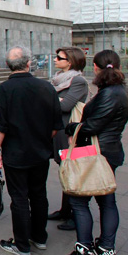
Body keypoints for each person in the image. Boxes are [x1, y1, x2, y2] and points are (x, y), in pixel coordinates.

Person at [58, 50, 128, 255]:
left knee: (80, 200)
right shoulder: (122, 91)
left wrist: (71, 126)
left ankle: (85, 249)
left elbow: (92, 126)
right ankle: (106, 247)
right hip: (110, 150)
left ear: (97, 68)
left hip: (96, 153)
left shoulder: (110, 93)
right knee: (106, 199)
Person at [0, 45, 63, 255]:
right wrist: (41, 140)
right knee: (39, 194)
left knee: (20, 197)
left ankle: (22, 245)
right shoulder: (46, 87)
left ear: (7, 65)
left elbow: (0, 125)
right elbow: (55, 125)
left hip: (15, 153)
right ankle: (39, 237)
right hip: (40, 151)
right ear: (29, 63)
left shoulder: (5, 89)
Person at [48, 46, 90, 232]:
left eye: (59, 57)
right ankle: (65, 210)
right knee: (64, 169)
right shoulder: (60, 78)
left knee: (71, 171)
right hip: (60, 129)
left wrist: (47, 98)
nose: (55, 59)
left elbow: (67, 106)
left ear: (70, 61)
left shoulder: (78, 80)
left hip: (69, 132)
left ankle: (74, 213)